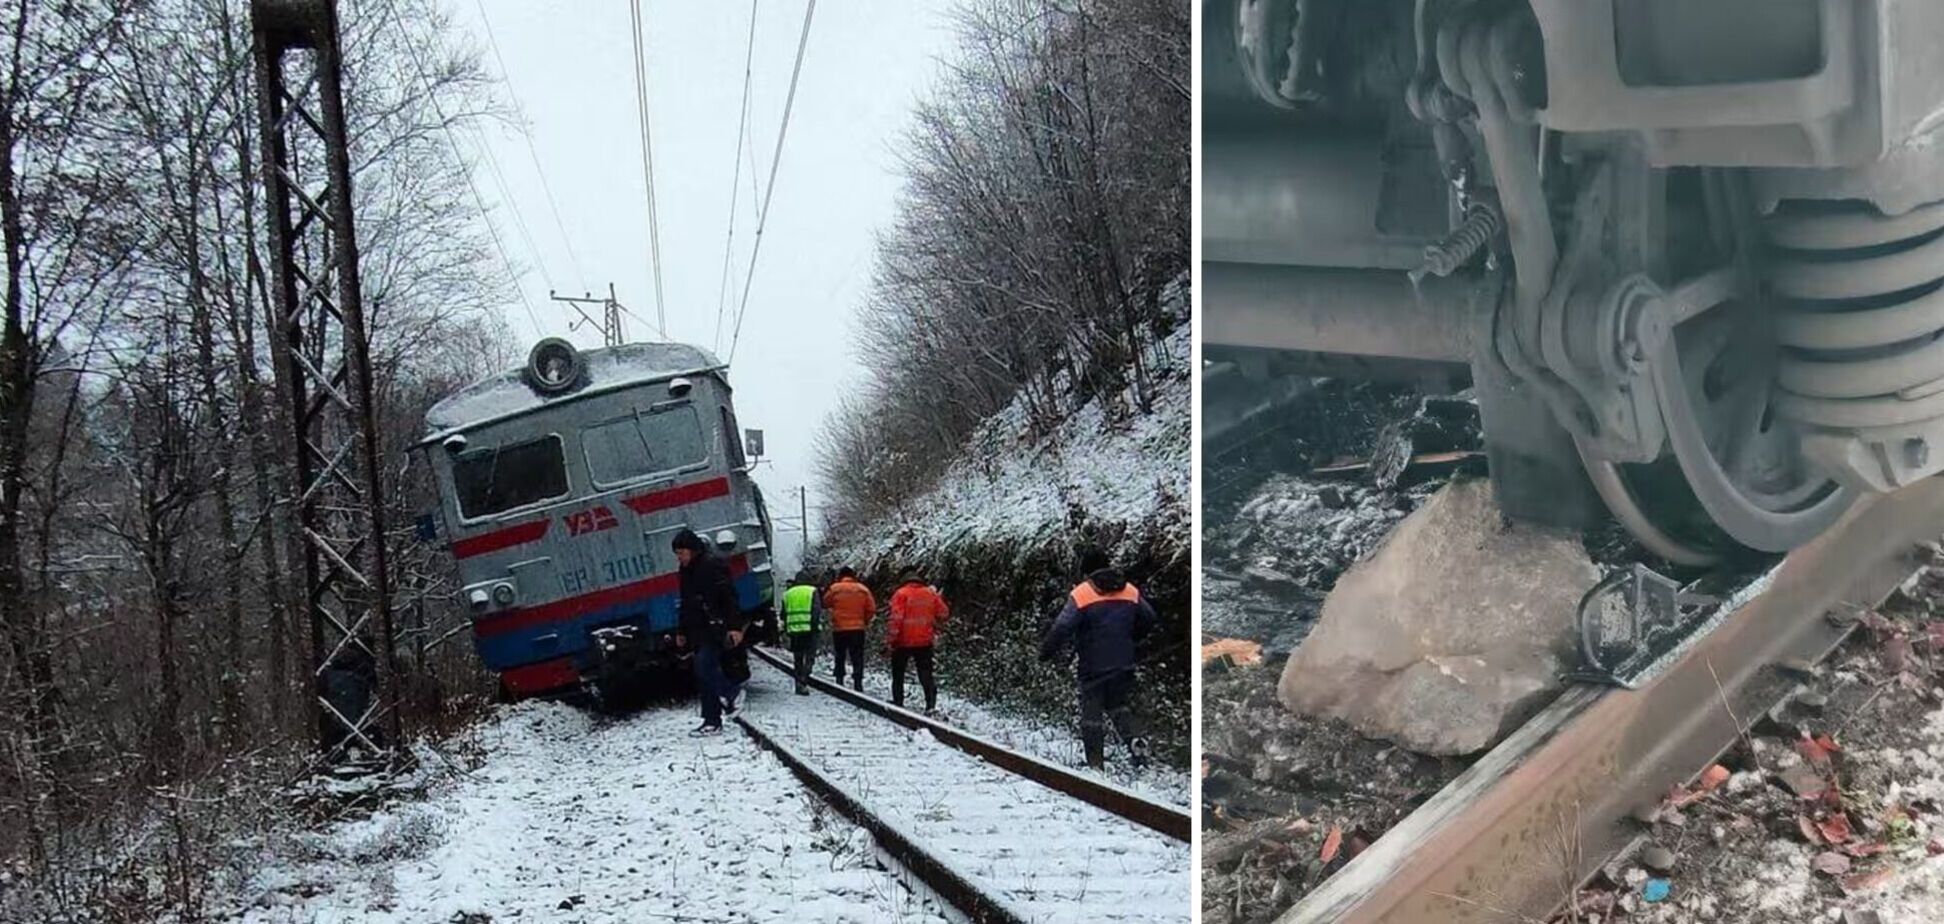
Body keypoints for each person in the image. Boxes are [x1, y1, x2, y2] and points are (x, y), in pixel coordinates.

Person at [1040, 548, 1157, 769]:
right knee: (1118, 705)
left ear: (1086, 572)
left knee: (1091, 714)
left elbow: (1062, 627)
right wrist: (1131, 639)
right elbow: (1149, 617)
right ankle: (1135, 741)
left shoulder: (1082, 593)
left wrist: (1046, 651)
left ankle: (1095, 765)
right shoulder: (1129, 590)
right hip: (1124, 661)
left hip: (1093, 663)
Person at [673, 528, 745, 736]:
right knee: (704, 672)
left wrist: (734, 626)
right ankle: (712, 721)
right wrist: (682, 631)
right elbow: (686, 602)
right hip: (698, 629)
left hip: (715, 627)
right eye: (677, 554)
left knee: (704, 667)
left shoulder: (712, 565)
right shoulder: (686, 570)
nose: (679, 557)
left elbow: (729, 597)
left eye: (681, 552)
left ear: (692, 550)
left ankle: (732, 693)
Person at [887, 567, 949, 713]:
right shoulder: (930, 594)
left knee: (898, 672)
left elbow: (896, 619)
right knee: (925, 673)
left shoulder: (901, 594)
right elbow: (944, 613)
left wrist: (891, 640)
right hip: (924, 641)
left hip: (902, 641)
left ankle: (898, 701)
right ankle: (930, 704)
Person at [823, 566, 875, 691]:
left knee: (840, 655)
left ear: (840, 576)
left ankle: (839, 679)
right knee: (857, 656)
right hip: (857, 628)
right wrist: (865, 621)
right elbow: (871, 608)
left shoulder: (835, 588)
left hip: (839, 628)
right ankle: (858, 682)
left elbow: (825, 603)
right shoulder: (863, 589)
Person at [780, 570, 823, 695]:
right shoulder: (812, 591)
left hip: (794, 631)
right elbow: (816, 611)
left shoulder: (788, 594)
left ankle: (798, 682)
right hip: (810, 630)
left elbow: (783, 614)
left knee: (798, 658)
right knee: (809, 657)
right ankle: (804, 679)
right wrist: (815, 626)